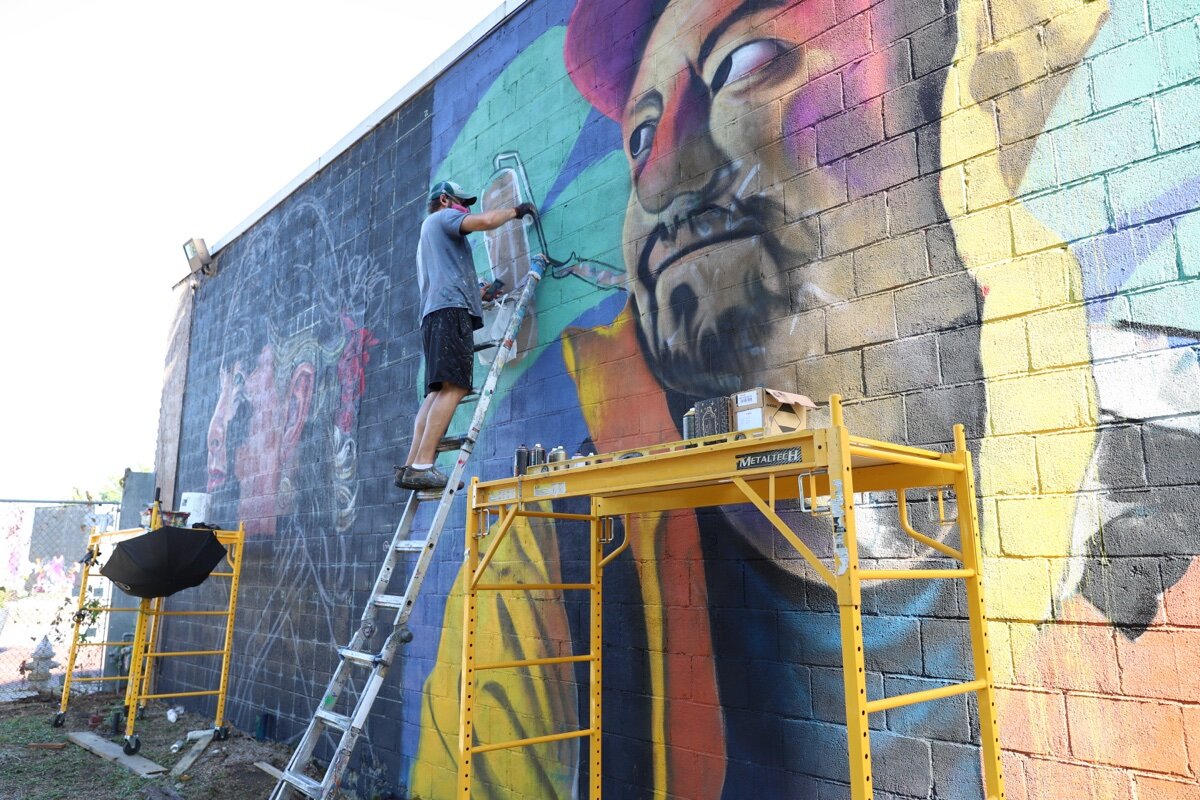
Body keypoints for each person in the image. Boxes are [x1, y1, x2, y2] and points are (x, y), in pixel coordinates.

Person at [395, 179, 537, 491]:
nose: (466, 209)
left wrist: (478, 295)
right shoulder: (443, 218)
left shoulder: (426, 239)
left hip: (433, 317)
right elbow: (485, 222)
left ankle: (410, 465)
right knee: (456, 387)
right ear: (444, 200)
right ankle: (422, 465)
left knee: (436, 392)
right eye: (462, 203)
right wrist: (517, 210)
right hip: (449, 313)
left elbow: (445, 278)